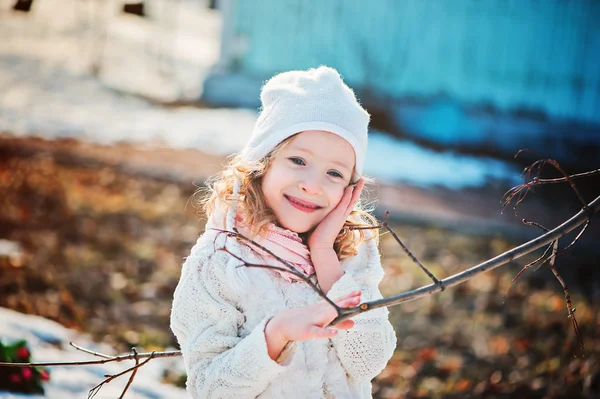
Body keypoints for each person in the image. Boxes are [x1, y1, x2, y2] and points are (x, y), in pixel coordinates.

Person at [170, 66, 396, 398]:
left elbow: (368, 362)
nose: (312, 185)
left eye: (334, 173)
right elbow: (209, 389)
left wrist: (324, 258)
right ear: (263, 163)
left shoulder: (351, 256)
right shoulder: (220, 261)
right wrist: (276, 334)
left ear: (351, 188)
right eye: (298, 161)